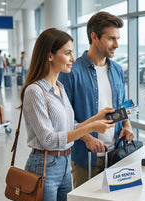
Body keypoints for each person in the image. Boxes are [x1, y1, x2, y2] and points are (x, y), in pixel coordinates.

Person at [20, 28, 114, 201]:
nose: (72, 58)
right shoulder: (35, 92)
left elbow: (70, 125)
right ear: (49, 56)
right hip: (43, 166)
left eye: (72, 52)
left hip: (64, 164)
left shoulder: (60, 87)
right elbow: (48, 139)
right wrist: (91, 128)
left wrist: (97, 117)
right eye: (67, 53)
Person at [58, 11, 134, 188]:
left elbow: (124, 104)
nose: (116, 44)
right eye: (111, 39)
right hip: (86, 158)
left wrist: (127, 125)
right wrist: (87, 138)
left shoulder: (117, 69)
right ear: (94, 37)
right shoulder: (71, 72)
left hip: (117, 155)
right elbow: (64, 118)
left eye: (118, 38)